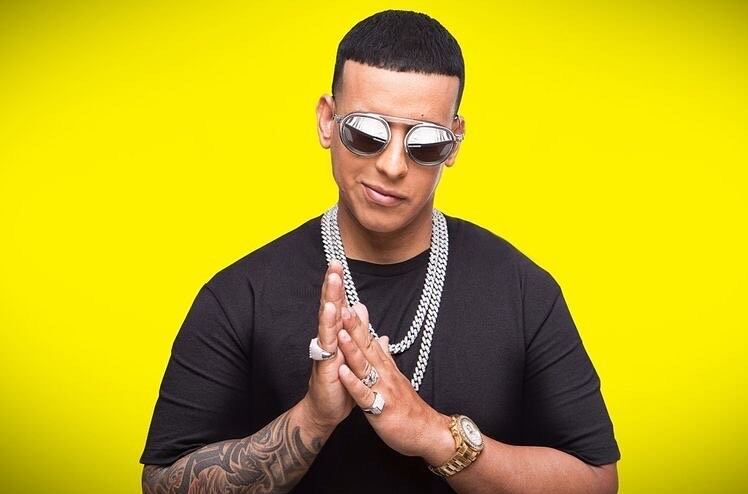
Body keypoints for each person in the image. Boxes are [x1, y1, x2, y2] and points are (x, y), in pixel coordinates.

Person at [140, 9, 620, 493]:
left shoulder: (522, 291)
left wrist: (435, 435)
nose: (392, 166)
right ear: (327, 122)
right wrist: (313, 418)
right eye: (367, 134)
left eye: (425, 143)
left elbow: (598, 482)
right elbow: (160, 484)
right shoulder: (239, 296)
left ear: (454, 143)